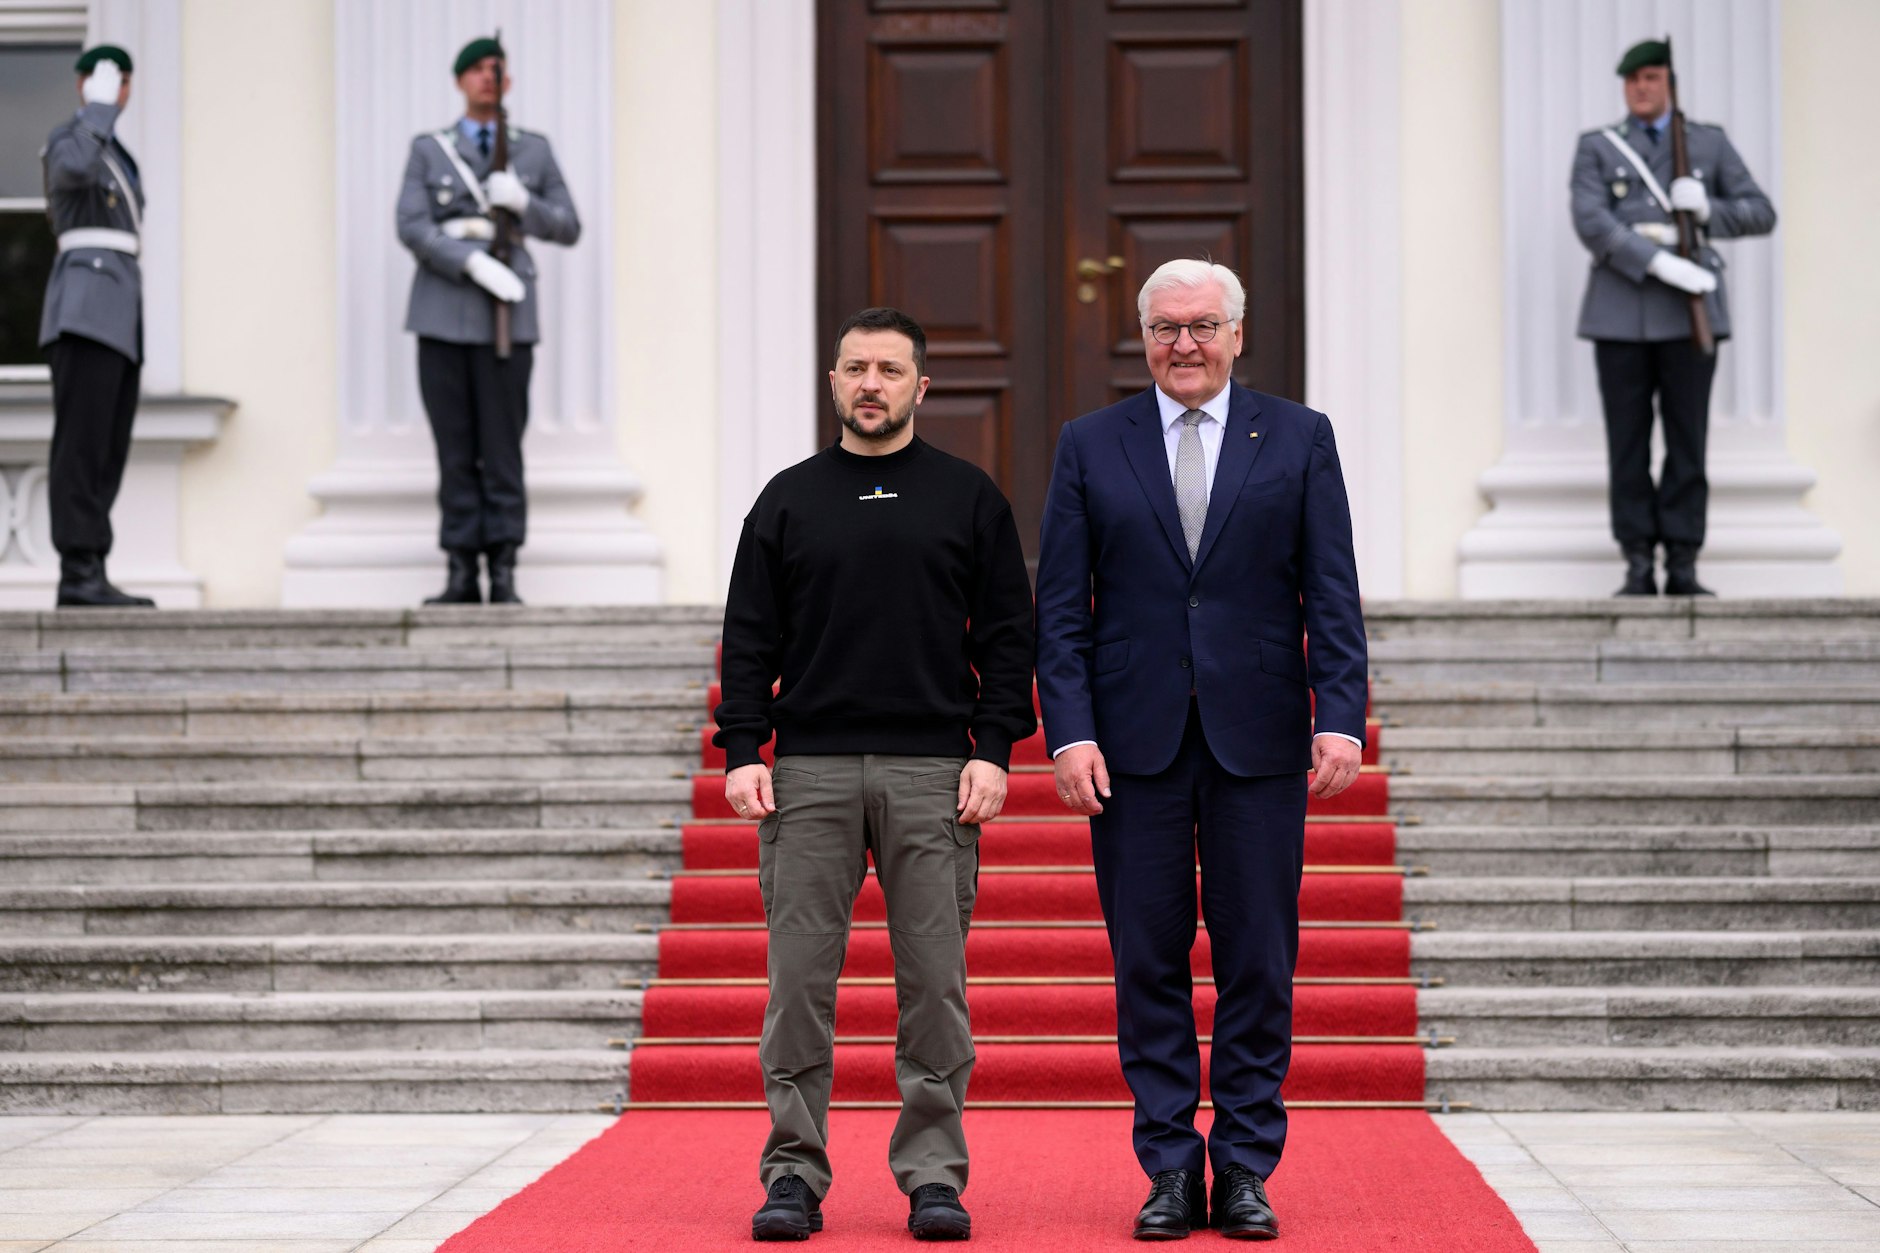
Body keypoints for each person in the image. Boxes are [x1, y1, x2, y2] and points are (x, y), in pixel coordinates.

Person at [1034, 259, 1367, 1241]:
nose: (1184, 343)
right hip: (1130, 743)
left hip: (1258, 737)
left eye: (1203, 325)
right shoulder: (1091, 444)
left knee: (1258, 959)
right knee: (1146, 957)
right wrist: (1070, 726)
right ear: (1140, 336)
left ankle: (1247, 1166)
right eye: (1165, 326)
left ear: (1237, 333)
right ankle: (1170, 1163)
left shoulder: (1298, 437)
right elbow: (1061, 606)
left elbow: (1330, 587)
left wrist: (1339, 711)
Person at [714, 307, 1035, 1242]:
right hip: (806, 772)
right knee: (797, 989)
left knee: (933, 987)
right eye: (855, 366)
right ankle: (792, 1174)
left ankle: (934, 1176)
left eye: (890, 369)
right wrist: (743, 748)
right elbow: (748, 638)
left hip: (934, 771)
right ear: (834, 382)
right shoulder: (787, 499)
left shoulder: (967, 497)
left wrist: (993, 748)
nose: (870, 383)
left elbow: (1010, 639)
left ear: (920, 387)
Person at [1571, 37, 1777, 597]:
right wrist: (1659, 261)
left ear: (1669, 84)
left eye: (1652, 77)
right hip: (1622, 312)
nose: (1642, 87)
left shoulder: (1706, 144)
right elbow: (1592, 220)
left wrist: (1709, 209)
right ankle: (1638, 560)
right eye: (1633, 79)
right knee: (1628, 443)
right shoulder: (1599, 147)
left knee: (1688, 439)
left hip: (1690, 318)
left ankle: (1683, 560)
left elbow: (1760, 211)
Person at [395, 35, 580, 605]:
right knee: (455, 446)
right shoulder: (431, 149)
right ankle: (459, 569)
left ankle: (502, 568)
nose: (486, 78)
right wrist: (470, 260)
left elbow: (567, 225)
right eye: (475, 70)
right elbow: (412, 225)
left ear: (508, 82)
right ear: (460, 81)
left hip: (508, 319)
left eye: (495, 70)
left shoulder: (533, 150)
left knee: (502, 446)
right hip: (443, 311)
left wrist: (524, 203)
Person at [38, 44, 154, 608]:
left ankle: (93, 565)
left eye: (123, 82)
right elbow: (74, 170)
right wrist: (97, 110)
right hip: (86, 309)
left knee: (107, 445)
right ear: (86, 84)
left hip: (118, 311)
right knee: (81, 445)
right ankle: (77, 570)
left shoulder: (115, 150)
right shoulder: (74, 138)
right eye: (108, 80)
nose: (117, 91)